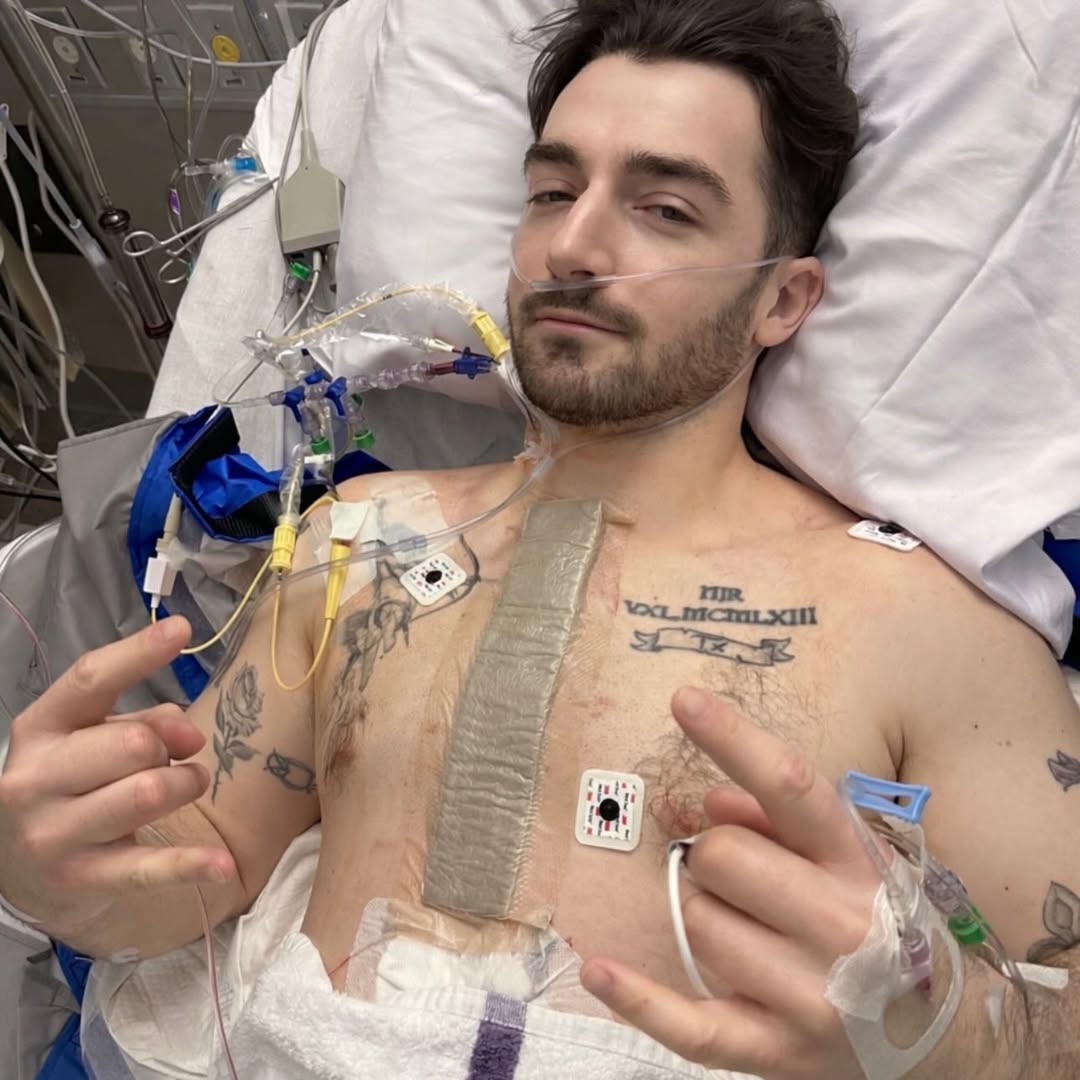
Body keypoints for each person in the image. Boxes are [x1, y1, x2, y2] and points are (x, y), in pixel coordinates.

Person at [3, 0, 1079, 1076]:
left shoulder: (926, 628)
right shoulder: (354, 543)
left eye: (664, 210)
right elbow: (204, 864)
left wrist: (949, 1037)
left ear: (782, 300)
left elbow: (1059, 1005)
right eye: (553, 193)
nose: (572, 245)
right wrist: (51, 873)